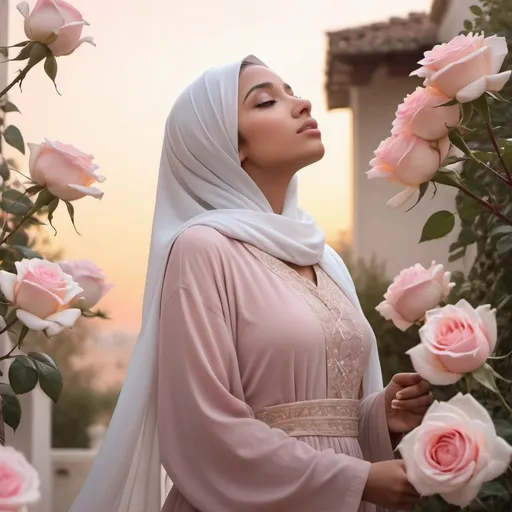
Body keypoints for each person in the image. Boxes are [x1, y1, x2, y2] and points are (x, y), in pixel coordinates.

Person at [69, 56, 433, 512]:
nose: (300, 104)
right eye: (266, 101)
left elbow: (321, 418)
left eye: (292, 90)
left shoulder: (323, 258)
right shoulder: (203, 249)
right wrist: (356, 479)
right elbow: (204, 430)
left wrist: (381, 415)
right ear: (225, 145)